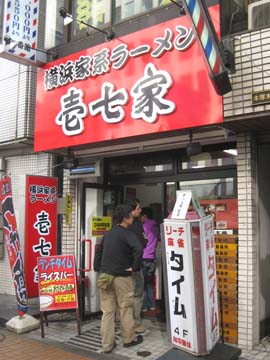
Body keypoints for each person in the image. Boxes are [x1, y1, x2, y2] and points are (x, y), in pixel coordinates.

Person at [94, 204, 143, 353]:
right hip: (122, 277)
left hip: (105, 275)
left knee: (107, 311)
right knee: (125, 308)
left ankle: (107, 345)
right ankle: (128, 339)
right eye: (130, 215)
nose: (132, 217)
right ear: (125, 218)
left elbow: (98, 251)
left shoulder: (108, 233)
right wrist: (134, 268)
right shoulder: (128, 234)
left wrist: (98, 268)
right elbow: (139, 250)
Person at [128, 198, 147, 334]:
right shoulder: (136, 226)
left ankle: (124, 322)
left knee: (125, 296)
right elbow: (142, 245)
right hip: (134, 266)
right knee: (137, 294)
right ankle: (136, 323)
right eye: (138, 208)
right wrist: (135, 267)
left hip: (122, 266)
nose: (140, 211)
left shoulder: (118, 226)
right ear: (132, 211)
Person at [140, 207, 159, 311]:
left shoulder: (144, 226)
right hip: (152, 258)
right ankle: (152, 304)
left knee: (142, 284)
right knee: (149, 283)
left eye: (141, 216)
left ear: (145, 216)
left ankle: (144, 306)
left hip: (144, 257)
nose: (140, 218)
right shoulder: (156, 226)